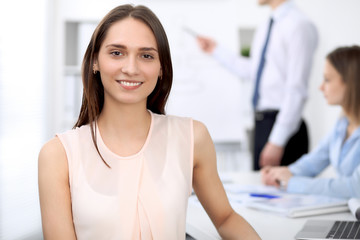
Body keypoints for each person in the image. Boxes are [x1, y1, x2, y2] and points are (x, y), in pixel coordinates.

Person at [38, 4, 260, 239]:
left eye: (146, 55)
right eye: (116, 53)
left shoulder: (192, 137)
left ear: (161, 67)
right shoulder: (58, 155)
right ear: (95, 61)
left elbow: (226, 219)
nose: (131, 68)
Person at [196, 0, 318, 170]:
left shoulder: (299, 25)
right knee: (261, 193)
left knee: (283, 194)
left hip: (283, 127)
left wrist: (277, 141)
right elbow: (254, 71)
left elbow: (296, 89)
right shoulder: (267, 26)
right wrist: (216, 50)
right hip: (262, 123)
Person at [261, 45, 360, 198]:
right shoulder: (343, 124)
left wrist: (291, 182)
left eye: (327, 80)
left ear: (351, 82)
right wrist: (281, 173)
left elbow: (354, 187)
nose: (321, 87)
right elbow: (315, 160)